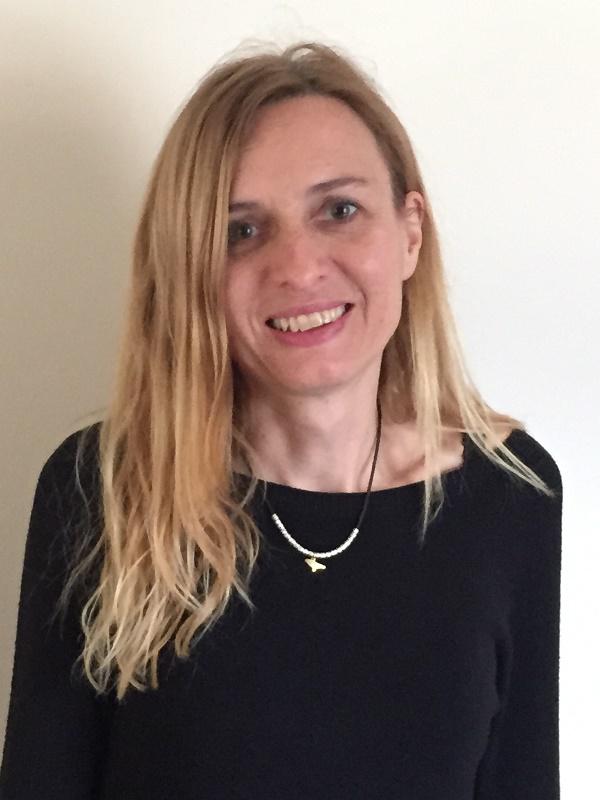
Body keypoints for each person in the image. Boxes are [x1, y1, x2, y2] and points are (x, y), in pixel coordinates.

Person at [0, 41, 562, 799]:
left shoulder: (511, 496)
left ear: (410, 234)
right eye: (242, 230)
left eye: (339, 210)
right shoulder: (101, 489)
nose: (297, 267)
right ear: (193, 268)